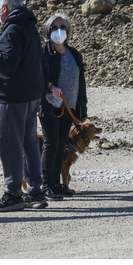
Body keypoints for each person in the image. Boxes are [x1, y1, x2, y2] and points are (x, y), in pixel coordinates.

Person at [0, 0, 49, 212]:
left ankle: (13, 193)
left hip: (13, 97)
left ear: (4, 8)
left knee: (9, 145)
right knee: (29, 144)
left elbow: (8, 63)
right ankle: (35, 192)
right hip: (30, 96)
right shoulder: (29, 28)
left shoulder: (12, 30)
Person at [39, 12, 87, 200]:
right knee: (51, 143)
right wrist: (50, 87)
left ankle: (57, 183)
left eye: (62, 27)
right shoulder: (44, 53)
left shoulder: (74, 53)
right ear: (47, 30)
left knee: (61, 144)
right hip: (50, 105)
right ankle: (46, 184)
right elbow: (37, 76)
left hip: (70, 107)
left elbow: (81, 82)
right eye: (54, 27)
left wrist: (81, 109)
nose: (59, 31)